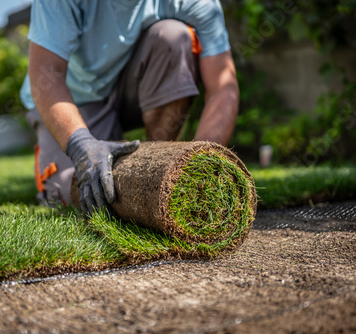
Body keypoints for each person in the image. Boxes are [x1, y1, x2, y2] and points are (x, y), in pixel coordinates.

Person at [21, 0, 239, 214]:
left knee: (174, 35)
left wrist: (201, 166)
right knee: (78, 194)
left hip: (131, 88)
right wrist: (81, 146)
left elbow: (223, 87)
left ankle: (160, 168)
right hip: (74, 99)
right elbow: (46, 73)